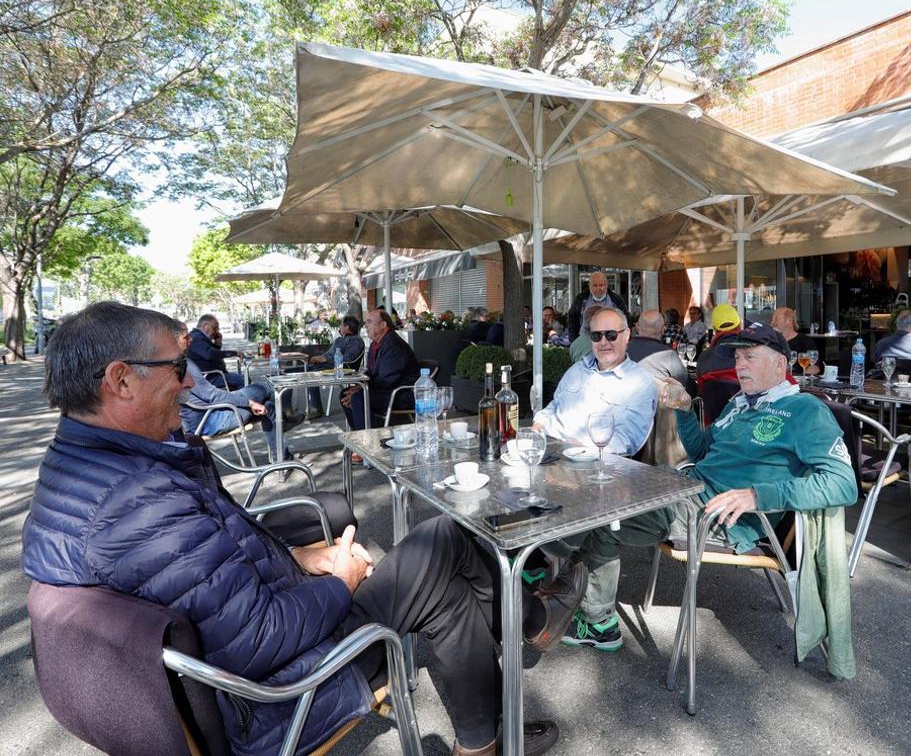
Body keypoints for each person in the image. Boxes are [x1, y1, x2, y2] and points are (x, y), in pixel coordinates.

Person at [21, 301, 583, 756]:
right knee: (447, 542)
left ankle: (486, 733)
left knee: (447, 584)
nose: (188, 384)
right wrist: (339, 581)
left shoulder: (84, 468)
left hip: (252, 650)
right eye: (175, 369)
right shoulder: (134, 504)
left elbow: (212, 561)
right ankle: (527, 627)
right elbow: (258, 640)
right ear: (120, 380)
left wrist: (299, 556)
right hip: (275, 694)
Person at [561, 323, 858, 653]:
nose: (739, 365)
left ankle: (597, 622)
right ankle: (561, 585)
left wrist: (758, 495)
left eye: (749, 357)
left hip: (720, 518)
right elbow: (702, 452)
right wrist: (685, 410)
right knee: (595, 490)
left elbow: (844, 484)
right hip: (686, 489)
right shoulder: (740, 403)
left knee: (606, 516)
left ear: (779, 364)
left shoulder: (806, 411)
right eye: (737, 358)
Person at [534, 307, 657, 456]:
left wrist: (579, 445)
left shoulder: (640, 382)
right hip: (552, 453)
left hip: (599, 468)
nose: (603, 342)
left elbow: (627, 440)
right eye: (596, 336)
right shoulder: (577, 370)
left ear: (626, 335)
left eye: (611, 335)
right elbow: (554, 406)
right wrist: (539, 424)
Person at [342, 308, 420, 437]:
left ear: (383, 325)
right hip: (386, 390)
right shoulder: (376, 344)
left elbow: (387, 379)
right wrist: (358, 385)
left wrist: (362, 389)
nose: (365, 326)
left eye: (369, 322)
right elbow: (371, 373)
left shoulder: (394, 345)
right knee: (345, 394)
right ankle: (359, 435)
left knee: (358, 398)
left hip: (401, 394)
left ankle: (370, 441)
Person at [305, 315, 366, 413]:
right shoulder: (339, 340)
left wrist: (325, 359)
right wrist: (319, 359)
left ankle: (316, 408)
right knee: (302, 369)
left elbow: (349, 359)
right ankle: (287, 408)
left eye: (341, 325)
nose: (340, 327)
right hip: (328, 366)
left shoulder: (356, 341)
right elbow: (327, 355)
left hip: (343, 368)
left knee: (310, 371)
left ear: (347, 327)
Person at [626, 309, 687, 385]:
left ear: (637, 327)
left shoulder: (622, 350)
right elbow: (685, 382)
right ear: (663, 329)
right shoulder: (668, 355)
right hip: (659, 396)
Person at [694, 303, 743, 398]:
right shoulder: (753, 354)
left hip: (713, 412)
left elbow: (700, 392)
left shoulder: (704, 358)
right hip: (747, 411)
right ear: (739, 325)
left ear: (715, 329)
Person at [188, 313, 245, 390]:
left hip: (214, 374)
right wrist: (234, 353)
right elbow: (210, 354)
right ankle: (238, 400)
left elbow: (213, 353)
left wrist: (217, 343)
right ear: (206, 327)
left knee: (238, 380)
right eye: (215, 328)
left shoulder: (199, 336)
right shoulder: (196, 338)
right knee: (244, 380)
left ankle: (234, 397)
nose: (217, 331)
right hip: (209, 377)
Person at [567, 271, 628, 341]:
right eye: (595, 286)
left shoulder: (616, 300)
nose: (598, 288)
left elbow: (625, 320)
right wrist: (574, 340)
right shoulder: (580, 299)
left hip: (610, 340)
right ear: (589, 286)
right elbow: (572, 320)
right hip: (584, 340)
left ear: (606, 285)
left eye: (601, 285)